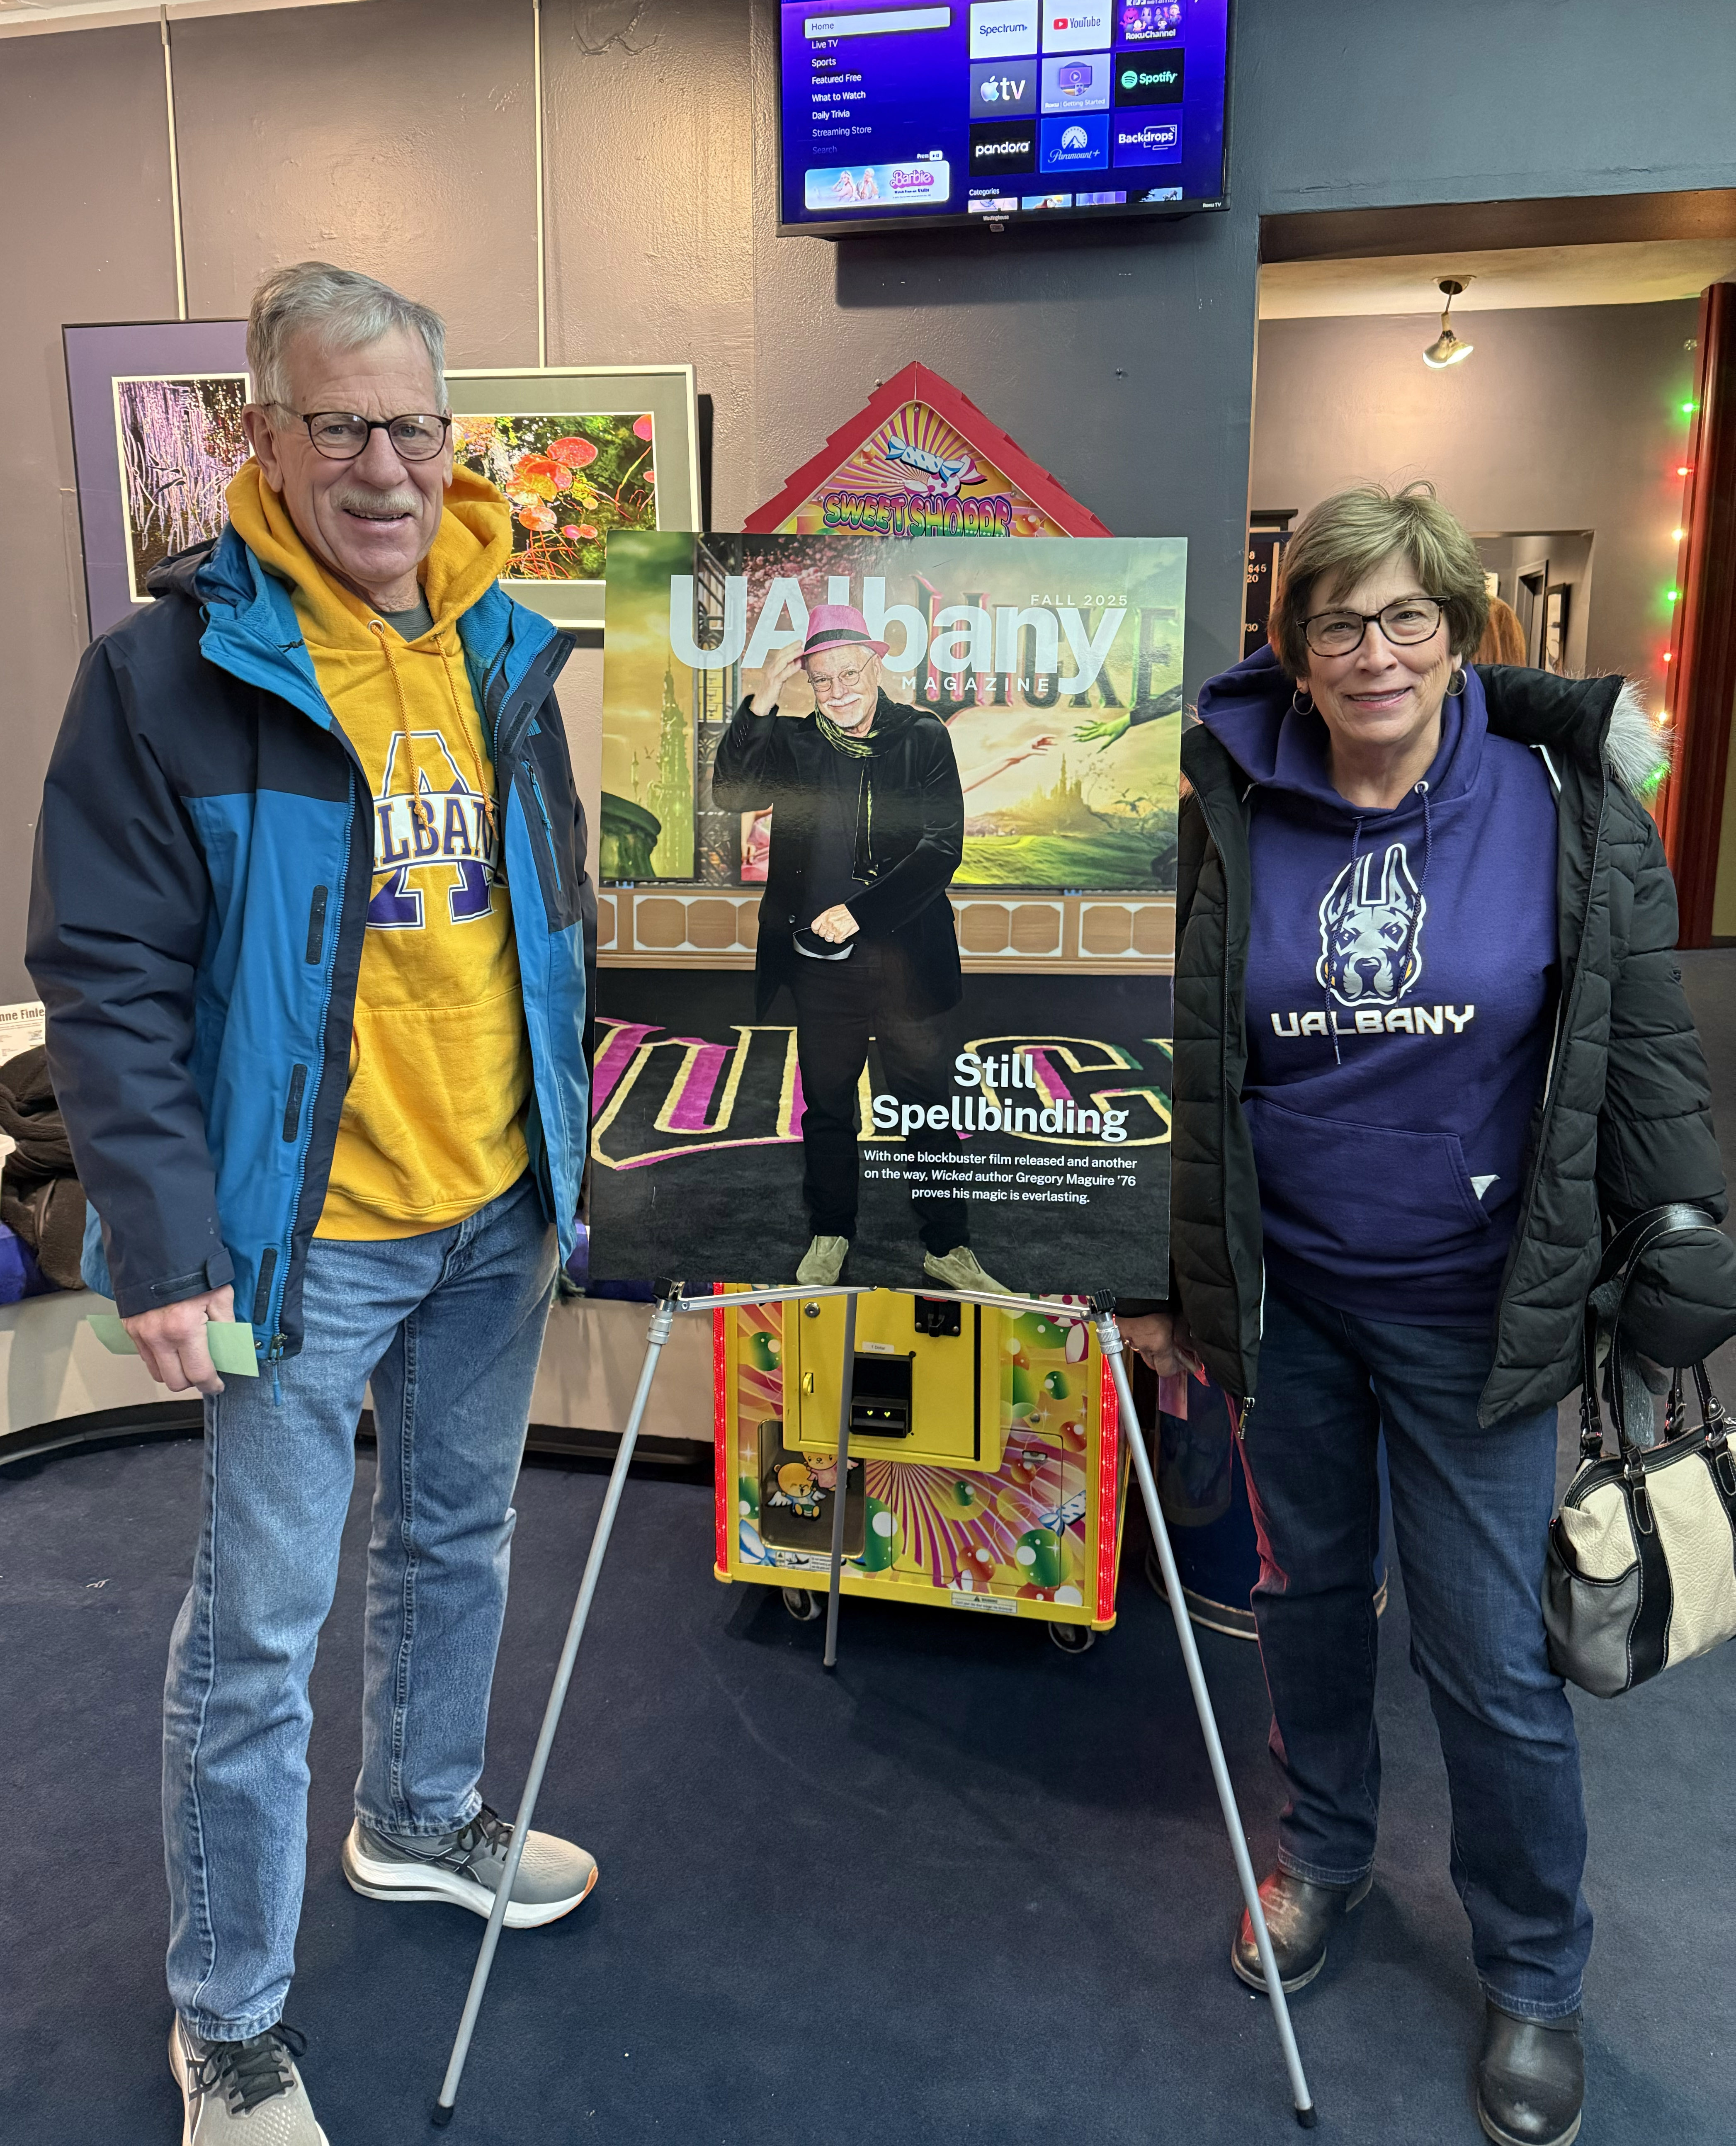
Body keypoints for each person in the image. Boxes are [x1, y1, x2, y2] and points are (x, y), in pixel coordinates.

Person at [29, 262, 595, 2145]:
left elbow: (550, 921)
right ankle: (230, 2020)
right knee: (257, 1631)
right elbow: (102, 972)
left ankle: (418, 1819)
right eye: (338, 422)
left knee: (461, 1542)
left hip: (492, 1210)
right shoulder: (165, 676)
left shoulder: (506, 649)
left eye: (411, 424)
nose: (380, 463)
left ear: (454, 438)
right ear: (261, 433)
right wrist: (166, 1236)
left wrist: (577, 1155)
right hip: (305, 1234)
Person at [1117, 482, 1729, 2146]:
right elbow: (1178, 1051)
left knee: (1489, 1658)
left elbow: (1646, 1037)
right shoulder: (1220, 797)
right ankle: (1325, 1855)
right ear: (1293, 647)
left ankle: (1536, 1970)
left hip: (1480, 1307)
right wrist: (1166, 1279)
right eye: (1336, 620)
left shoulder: (1560, 797)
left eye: (1407, 617)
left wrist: (1684, 1232)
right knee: (1308, 1597)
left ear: (1464, 632)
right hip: (1289, 1293)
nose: (1373, 650)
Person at [711, 604, 1008, 1293]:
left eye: (851, 674)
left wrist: (860, 913)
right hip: (821, 968)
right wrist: (762, 691)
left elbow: (942, 848)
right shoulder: (795, 741)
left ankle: (947, 1245)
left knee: (929, 1106)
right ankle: (831, 1231)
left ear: (877, 667)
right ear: (807, 684)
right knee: (829, 1106)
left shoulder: (921, 736)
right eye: (822, 680)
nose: (839, 691)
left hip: (910, 960)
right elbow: (733, 791)